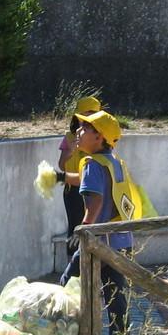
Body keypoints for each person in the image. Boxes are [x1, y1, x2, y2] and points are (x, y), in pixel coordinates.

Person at [59, 110, 142, 335]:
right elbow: (91, 184)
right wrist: (61, 177)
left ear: (99, 137)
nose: (78, 132)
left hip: (98, 242)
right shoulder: (113, 161)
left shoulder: (92, 164)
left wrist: (83, 228)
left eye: (84, 128)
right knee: (115, 297)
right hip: (120, 241)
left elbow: (94, 199)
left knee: (65, 289)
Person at [57, 95, 102, 255]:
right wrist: (70, 151)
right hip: (73, 191)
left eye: (93, 113)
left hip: (94, 189)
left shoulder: (101, 138)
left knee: (93, 228)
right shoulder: (69, 138)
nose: (88, 117)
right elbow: (61, 165)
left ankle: (93, 264)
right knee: (75, 228)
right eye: (86, 113)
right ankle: (73, 265)